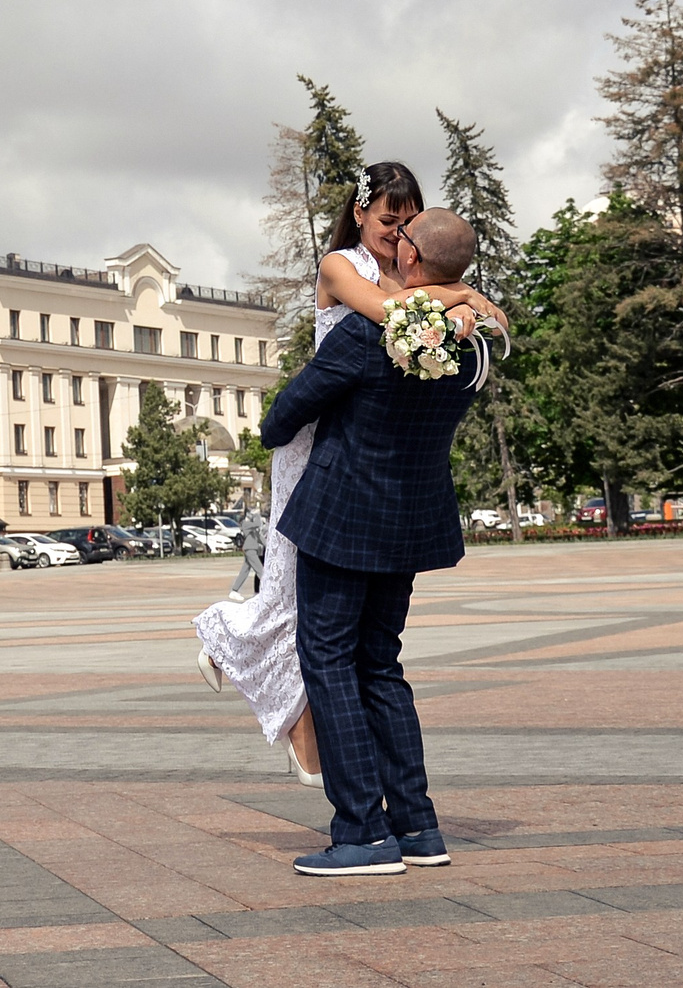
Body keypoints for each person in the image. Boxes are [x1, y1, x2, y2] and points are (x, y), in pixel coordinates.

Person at [192, 163, 502, 786]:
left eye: (408, 223)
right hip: (315, 440)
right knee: (292, 592)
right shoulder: (341, 266)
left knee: (325, 620)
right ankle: (235, 648)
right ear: (359, 214)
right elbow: (385, 313)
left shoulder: (412, 279)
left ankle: (297, 725)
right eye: (387, 219)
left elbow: (458, 322)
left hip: (367, 450)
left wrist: (458, 298)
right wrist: (461, 295)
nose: (396, 232)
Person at [259, 206, 485, 876]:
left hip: (340, 519)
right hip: (408, 523)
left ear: (410, 256)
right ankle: (417, 825)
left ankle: (361, 832)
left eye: (402, 236)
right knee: (381, 664)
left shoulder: (366, 333)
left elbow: (282, 417)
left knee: (329, 661)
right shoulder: (471, 346)